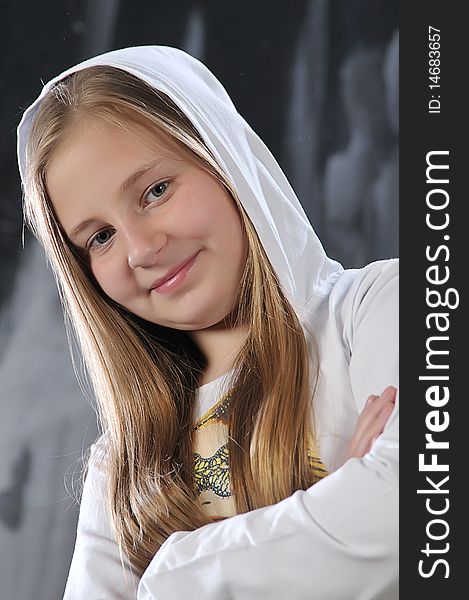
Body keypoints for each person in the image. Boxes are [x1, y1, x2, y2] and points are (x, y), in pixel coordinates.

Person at [16, 46, 398, 599]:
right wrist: (338, 513)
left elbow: (417, 508)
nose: (142, 250)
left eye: (155, 191)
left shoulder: (381, 310)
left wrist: (172, 577)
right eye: (100, 237)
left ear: (224, 159)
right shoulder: (124, 467)